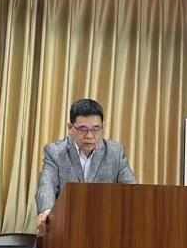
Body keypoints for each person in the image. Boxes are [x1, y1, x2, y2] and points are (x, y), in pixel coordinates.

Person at [35, 99, 137, 234]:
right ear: (70, 128)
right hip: (64, 229)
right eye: (83, 129)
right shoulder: (55, 152)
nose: (89, 135)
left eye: (95, 129)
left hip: (104, 231)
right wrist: (47, 212)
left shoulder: (115, 153)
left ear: (103, 127)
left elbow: (133, 191)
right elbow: (46, 186)